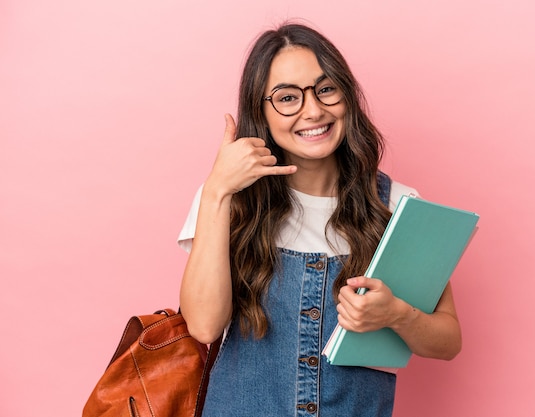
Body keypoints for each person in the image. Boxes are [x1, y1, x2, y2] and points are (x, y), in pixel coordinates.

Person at [178, 22, 462, 417]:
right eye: (287, 98)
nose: (313, 111)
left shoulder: (397, 207)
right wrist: (216, 191)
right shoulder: (228, 200)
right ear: (260, 111)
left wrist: (396, 315)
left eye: (326, 89)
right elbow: (204, 327)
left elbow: (447, 342)